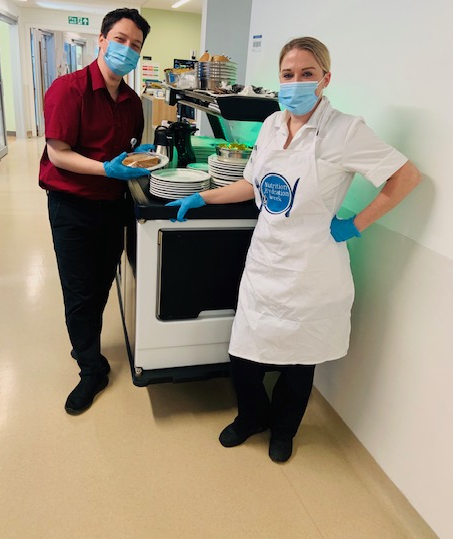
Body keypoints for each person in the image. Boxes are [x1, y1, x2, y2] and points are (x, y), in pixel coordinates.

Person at [166, 36, 421, 462]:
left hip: (313, 267)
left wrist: (355, 226)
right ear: (279, 79)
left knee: (300, 361)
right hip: (266, 260)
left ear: (325, 79)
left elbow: (406, 177)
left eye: (307, 74)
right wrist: (202, 197)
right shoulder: (270, 125)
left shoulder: (346, 130)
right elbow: (251, 184)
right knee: (244, 353)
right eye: (288, 75)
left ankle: (284, 430)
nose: (296, 82)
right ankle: (251, 417)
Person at [39, 8, 154, 415]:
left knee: (102, 282)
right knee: (78, 290)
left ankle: (90, 341)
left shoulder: (132, 101)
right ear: (102, 39)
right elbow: (59, 153)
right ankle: (91, 368)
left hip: (113, 206)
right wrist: (106, 168)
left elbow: (129, 148)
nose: (127, 49)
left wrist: (140, 156)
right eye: (121, 39)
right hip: (72, 206)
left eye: (136, 45)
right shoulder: (68, 90)